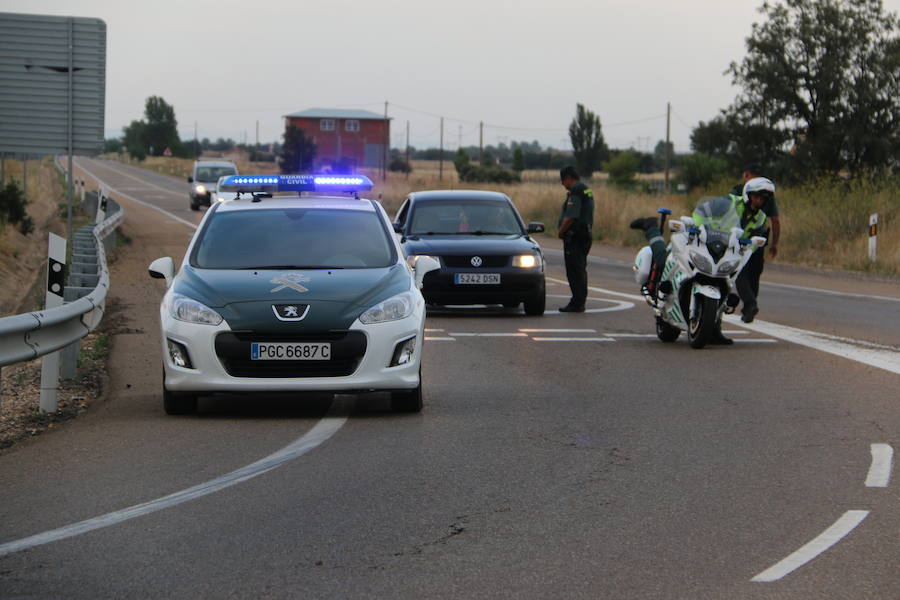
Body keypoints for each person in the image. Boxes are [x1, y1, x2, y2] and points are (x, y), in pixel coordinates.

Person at [630, 177, 773, 344]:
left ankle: (714, 330)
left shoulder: (761, 218)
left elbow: (755, 239)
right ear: (748, 195)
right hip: (704, 240)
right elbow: (701, 211)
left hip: (727, 251)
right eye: (756, 196)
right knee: (664, 260)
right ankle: (652, 228)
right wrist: (699, 228)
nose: (759, 201)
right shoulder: (730, 202)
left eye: (763, 198)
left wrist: (747, 249)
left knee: (724, 282)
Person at [730, 167, 780, 323]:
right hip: (736, 237)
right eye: (756, 196)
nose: (759, 200)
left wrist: (774, 243)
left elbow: (775, 220)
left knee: (751, 273)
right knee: (744, 272)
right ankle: (750, 305)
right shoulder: (738, 192)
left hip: (756, 239)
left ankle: (749, 306)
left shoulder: (766, 194)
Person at [557, 165, 595, 312]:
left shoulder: (576, 191)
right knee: (580, 268)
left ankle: (577, 302)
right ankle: (579, 300)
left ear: (568, 178)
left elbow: (571, 216)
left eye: (562, 180)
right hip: (584, 234)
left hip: (576, 236)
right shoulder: (585, 189)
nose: (562, 184)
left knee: (574, 270)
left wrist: (561, 231)